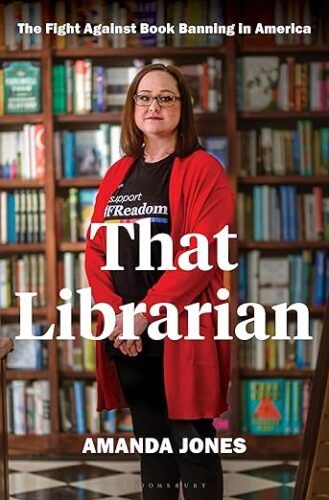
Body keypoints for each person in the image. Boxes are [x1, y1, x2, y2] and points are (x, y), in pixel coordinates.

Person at [85, 63, 234, 500]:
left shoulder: (203, 169)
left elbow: (203, 256)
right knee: (152, 446)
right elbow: (96, 251)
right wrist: (116, 315)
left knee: (192, 440)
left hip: (178, 329)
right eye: (144, 97)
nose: (154, 106)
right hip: (127, 333)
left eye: (166, 97)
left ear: (182, 108)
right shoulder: (118, 173)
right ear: (132, 107)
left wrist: (144, 316)